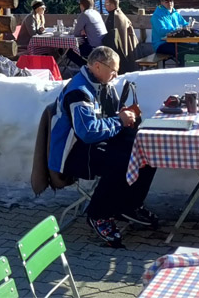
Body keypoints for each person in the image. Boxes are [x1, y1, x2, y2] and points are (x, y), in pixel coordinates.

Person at [47, 46, 157, 247]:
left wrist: (123, 115)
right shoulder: (79, 92)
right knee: (121, 162)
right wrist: (119, 120)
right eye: (113, 70)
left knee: (148, 154)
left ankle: (128, 205)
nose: (116, 75)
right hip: (71, 152)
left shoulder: (102, 82)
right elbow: (87, 132)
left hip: (92, 143)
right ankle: (98, 215)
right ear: (97, 66)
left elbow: (111, 114)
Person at [103, 0, 145, 69]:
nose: (104, 6)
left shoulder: (114, 17)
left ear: (113, 5)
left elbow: (111, 36)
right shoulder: (120, 14)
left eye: (106, 4)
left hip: (120, 54)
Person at [150, 0, 189, 64]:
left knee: (196, 49)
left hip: (175, 42)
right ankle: (181, 70)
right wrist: (178, 29)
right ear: (161, 2)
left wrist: (192, 25)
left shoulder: (175, 13)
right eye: (166, 1)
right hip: (161, 44)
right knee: (184, 51)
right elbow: (161, 31)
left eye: (171, 1)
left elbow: (184, 24)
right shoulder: (157, 16)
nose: (169, 3)